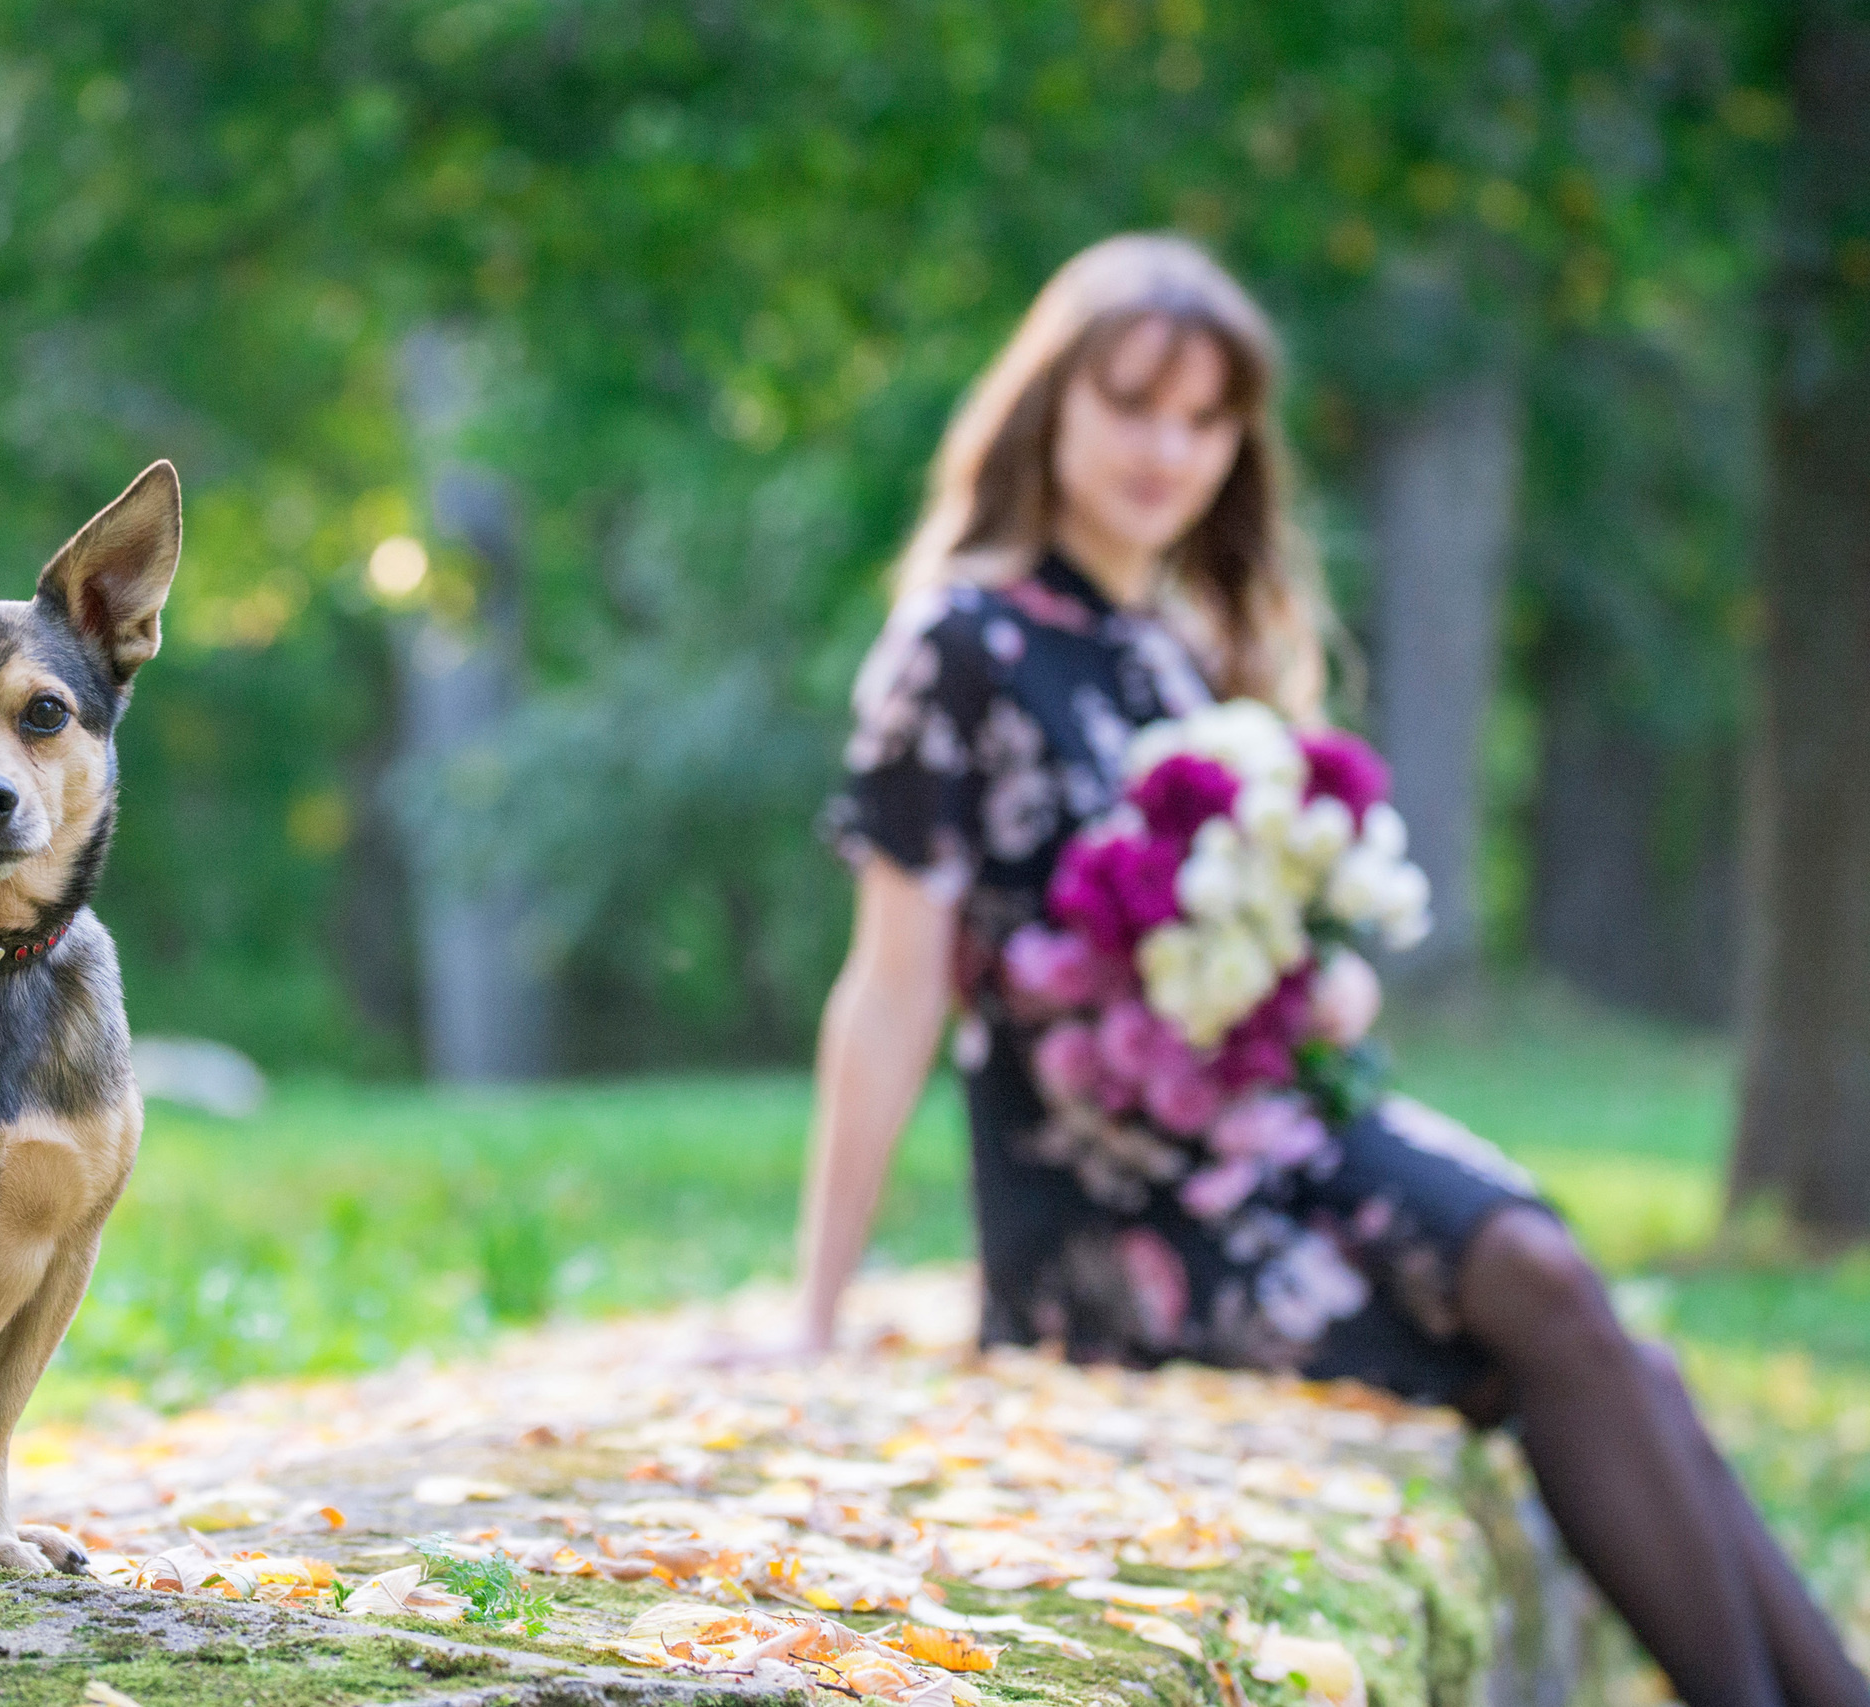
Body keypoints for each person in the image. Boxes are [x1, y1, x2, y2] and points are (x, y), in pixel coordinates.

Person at [799, 233, 1867, 1707]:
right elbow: (894, 986)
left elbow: (1276, 942)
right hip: (1115, 1205)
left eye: (1204, 418)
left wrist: (1321, 981)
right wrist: (818, 1312)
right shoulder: (957, 646)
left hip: (1288, 1134)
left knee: (1559, 1289)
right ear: (1051, 406)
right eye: (1132, 407)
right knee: (1571, 1362)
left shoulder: (1178, 651)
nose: (1167, 450)